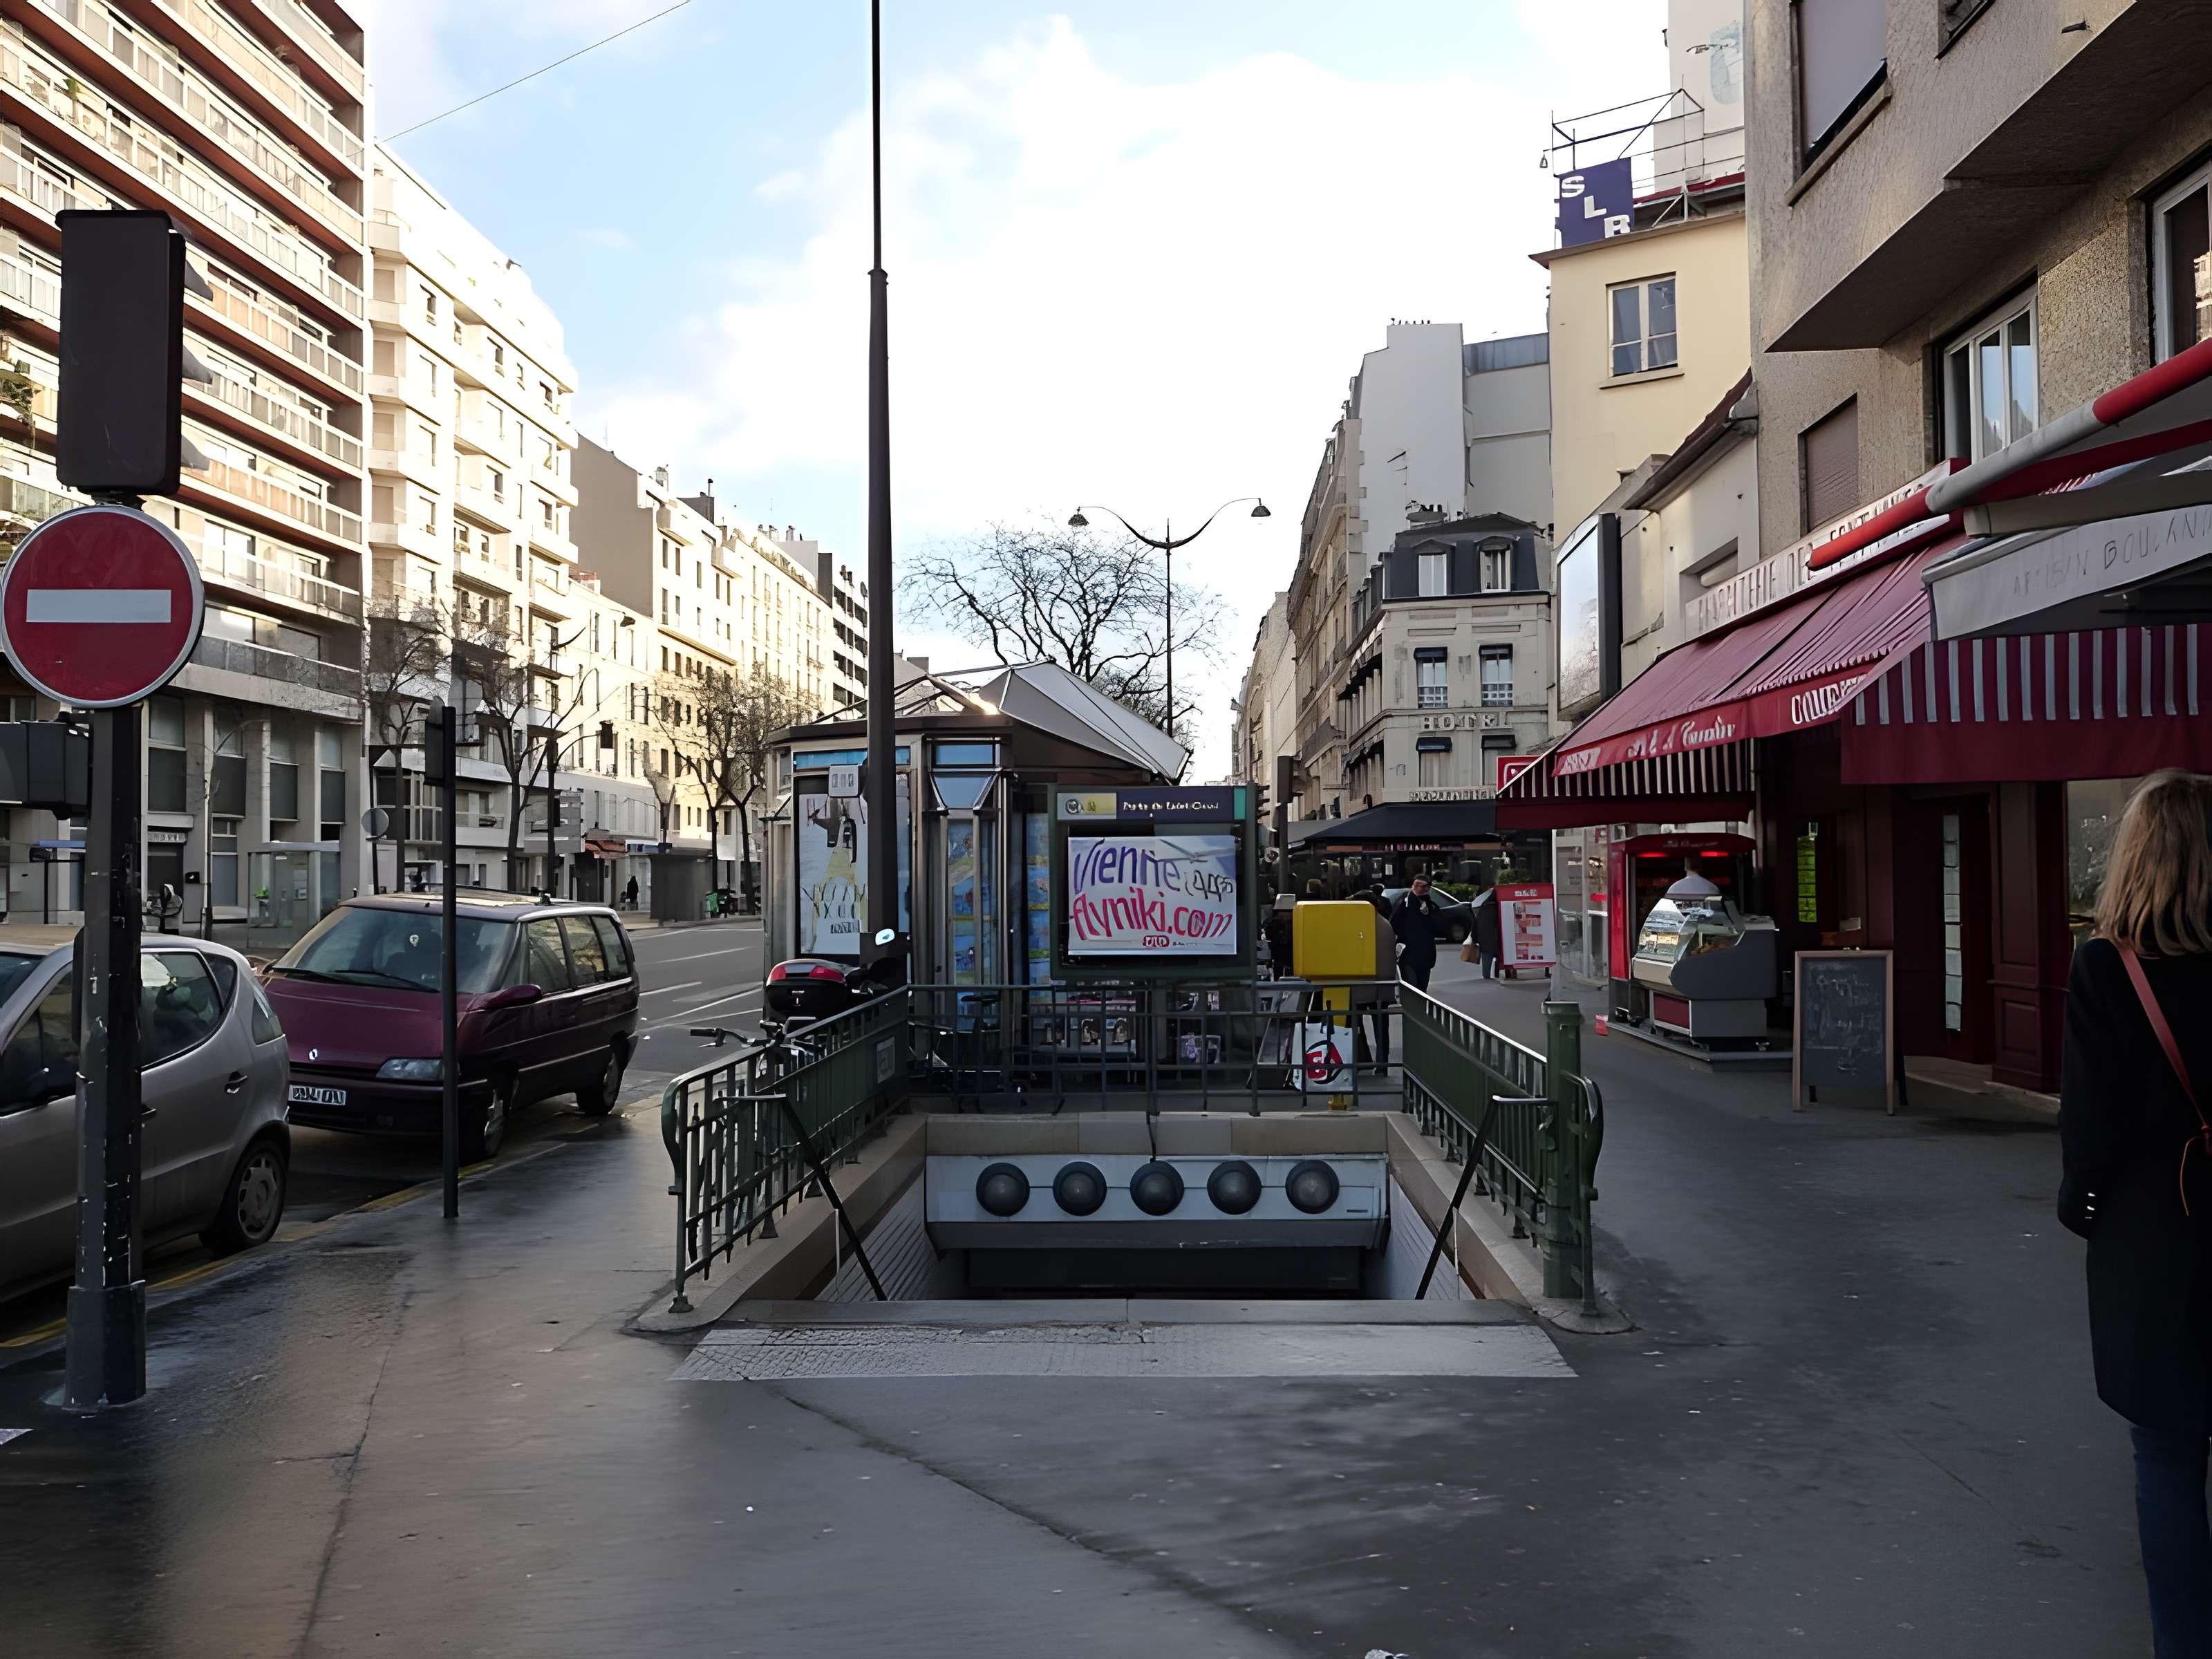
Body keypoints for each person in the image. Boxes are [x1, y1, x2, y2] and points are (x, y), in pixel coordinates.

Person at [2059, 769, 2212, 1658]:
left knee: (2164, 1455)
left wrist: (2088, 1210)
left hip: (2152, 1242)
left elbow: (2089, 1131)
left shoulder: (2105, 968)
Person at [1387, 874, 1442, 996]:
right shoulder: (1404, 903)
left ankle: (1420, 1013)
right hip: (1407, 952)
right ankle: (1410, 1012)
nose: (1417, 888)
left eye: (1421, 886)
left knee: (1422, 988)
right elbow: (1394, 924)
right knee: (1411, 987)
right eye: (1416, 885)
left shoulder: (1430, 906)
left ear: (1428, 888)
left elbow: (1439, 927)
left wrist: (1428, 914)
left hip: (1426, 953)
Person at [1474, 887, 1504, 980]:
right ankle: (1497, 974)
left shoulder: (1483, 908)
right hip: (1498, 939)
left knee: (1486, 961)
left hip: (1485, 941)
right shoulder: (1500, 907)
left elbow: (1476, 924)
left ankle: (1486, 975)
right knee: (1499, 959)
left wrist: (1475, 938)